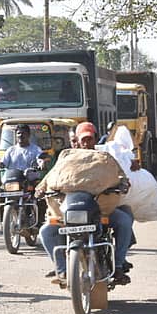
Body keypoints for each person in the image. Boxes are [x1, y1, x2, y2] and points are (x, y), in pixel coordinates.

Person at [35, 121, 134, 286]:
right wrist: (40, 189)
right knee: (46, 231)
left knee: (124, 221)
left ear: (95, 139)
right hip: (68, 212)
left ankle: (118, 265)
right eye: (84, 139)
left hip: (100, 211)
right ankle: (62, 270)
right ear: (77, 141)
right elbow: (51, 177)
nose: (87, 143)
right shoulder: (66, 157)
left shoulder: (105, 158)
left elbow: (121, 175)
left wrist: (123, 184)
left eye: (90, 139)